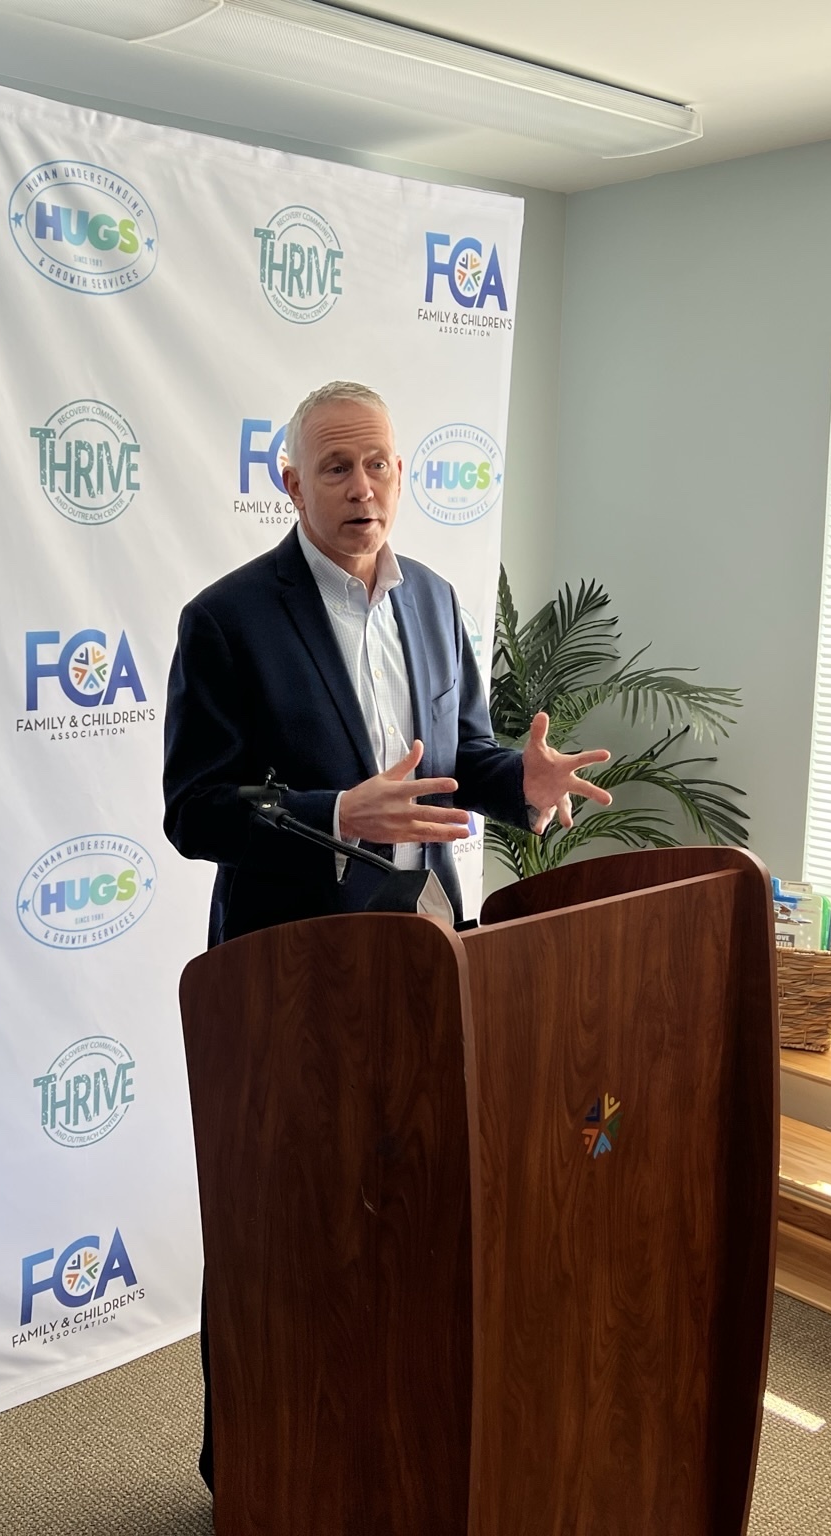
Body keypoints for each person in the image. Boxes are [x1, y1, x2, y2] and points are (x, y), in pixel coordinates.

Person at [162, 379, 614, 1488]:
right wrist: (327, 814)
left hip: (425, 951)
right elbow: (193, 810)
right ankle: (256, 1463)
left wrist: (525, 779)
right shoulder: (224, 619)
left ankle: (376, 1443)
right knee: (283, 1219)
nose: (361, 489)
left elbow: (461, 753)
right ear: (289, 485)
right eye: (334, 469)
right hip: (291, 974)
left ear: (400, 475)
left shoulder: (433, 601)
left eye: (378, 466)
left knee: (398, 1213)